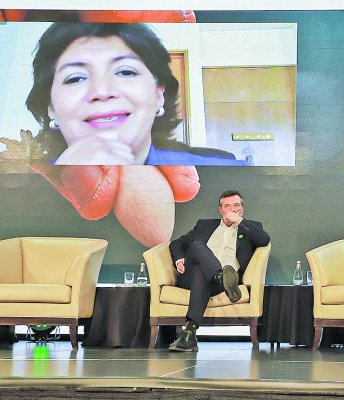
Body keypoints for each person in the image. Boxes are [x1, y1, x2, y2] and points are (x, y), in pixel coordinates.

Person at [25, 22, 246, 166]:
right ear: (50, 107)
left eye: (125, 72)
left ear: (159, 93)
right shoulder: (17, 193)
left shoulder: (235, 176)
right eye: (75, 78)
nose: (102, 91)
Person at [167, 190, 270, 351]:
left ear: (242, 209)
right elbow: (176, 244)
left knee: (201, 273)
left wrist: (239, 221)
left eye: (236, 206)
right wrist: (179, 259)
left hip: (221, 283)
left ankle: (189, 332)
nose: (232, 209)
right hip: (193, 277)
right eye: (227, 206)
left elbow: (264, 239)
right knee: (197, 245)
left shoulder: (251, 228)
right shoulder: (204, 225)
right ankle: (220, 275)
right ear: (220, 210)